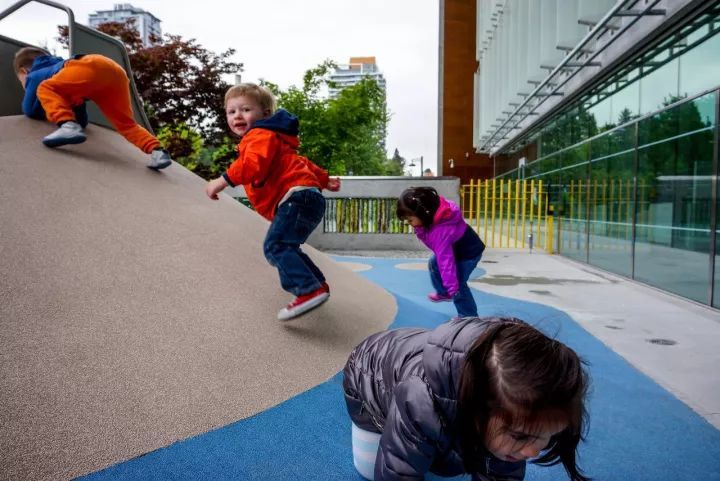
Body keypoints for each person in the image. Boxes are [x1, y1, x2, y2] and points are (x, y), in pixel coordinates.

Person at [342, 316, 590, 481]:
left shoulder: (509, 400)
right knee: (373, 468)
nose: (533, 451)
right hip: (368, 374)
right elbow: (396, 472)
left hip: (424, 372)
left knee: (471, 453)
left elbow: (502, 472)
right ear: (478, 406)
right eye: (520, 436)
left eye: (547, 436)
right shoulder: (421, 400)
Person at [205, 83, 340, 320]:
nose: (238, 115)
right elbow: (302, 163)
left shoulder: (258, 135)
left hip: (295, 198)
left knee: (274, 246)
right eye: (231, 111)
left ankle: (309, 290)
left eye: (245, 109)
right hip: (308, 197)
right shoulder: (276, 138)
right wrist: (325, 180)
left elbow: (252, 165)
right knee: (287, 246)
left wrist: (223, 180)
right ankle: (316, 284)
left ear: (265, 113)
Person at [13, 47, 172, 170]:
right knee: (126, 123)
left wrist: (63, 118)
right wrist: (74, 109)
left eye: (21, 81)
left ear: (23, 72)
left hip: (90, 65)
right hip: (116, 74)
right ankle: (158, 151)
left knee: (45, 88)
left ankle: (67, 126)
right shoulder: (64, 78)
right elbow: (82, 122)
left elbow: (30, 110)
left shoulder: (36, 74)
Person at [397, 186, 485, 318]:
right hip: (456, 250)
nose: (409, 223)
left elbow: (446, 261)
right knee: (433, 263)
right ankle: (444, 293)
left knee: (458, 284)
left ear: (423, 213)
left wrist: (452, 286)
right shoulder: (432, 214)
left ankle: (469, 317)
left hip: (468, 254)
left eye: (410, 220)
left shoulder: (440, 232)